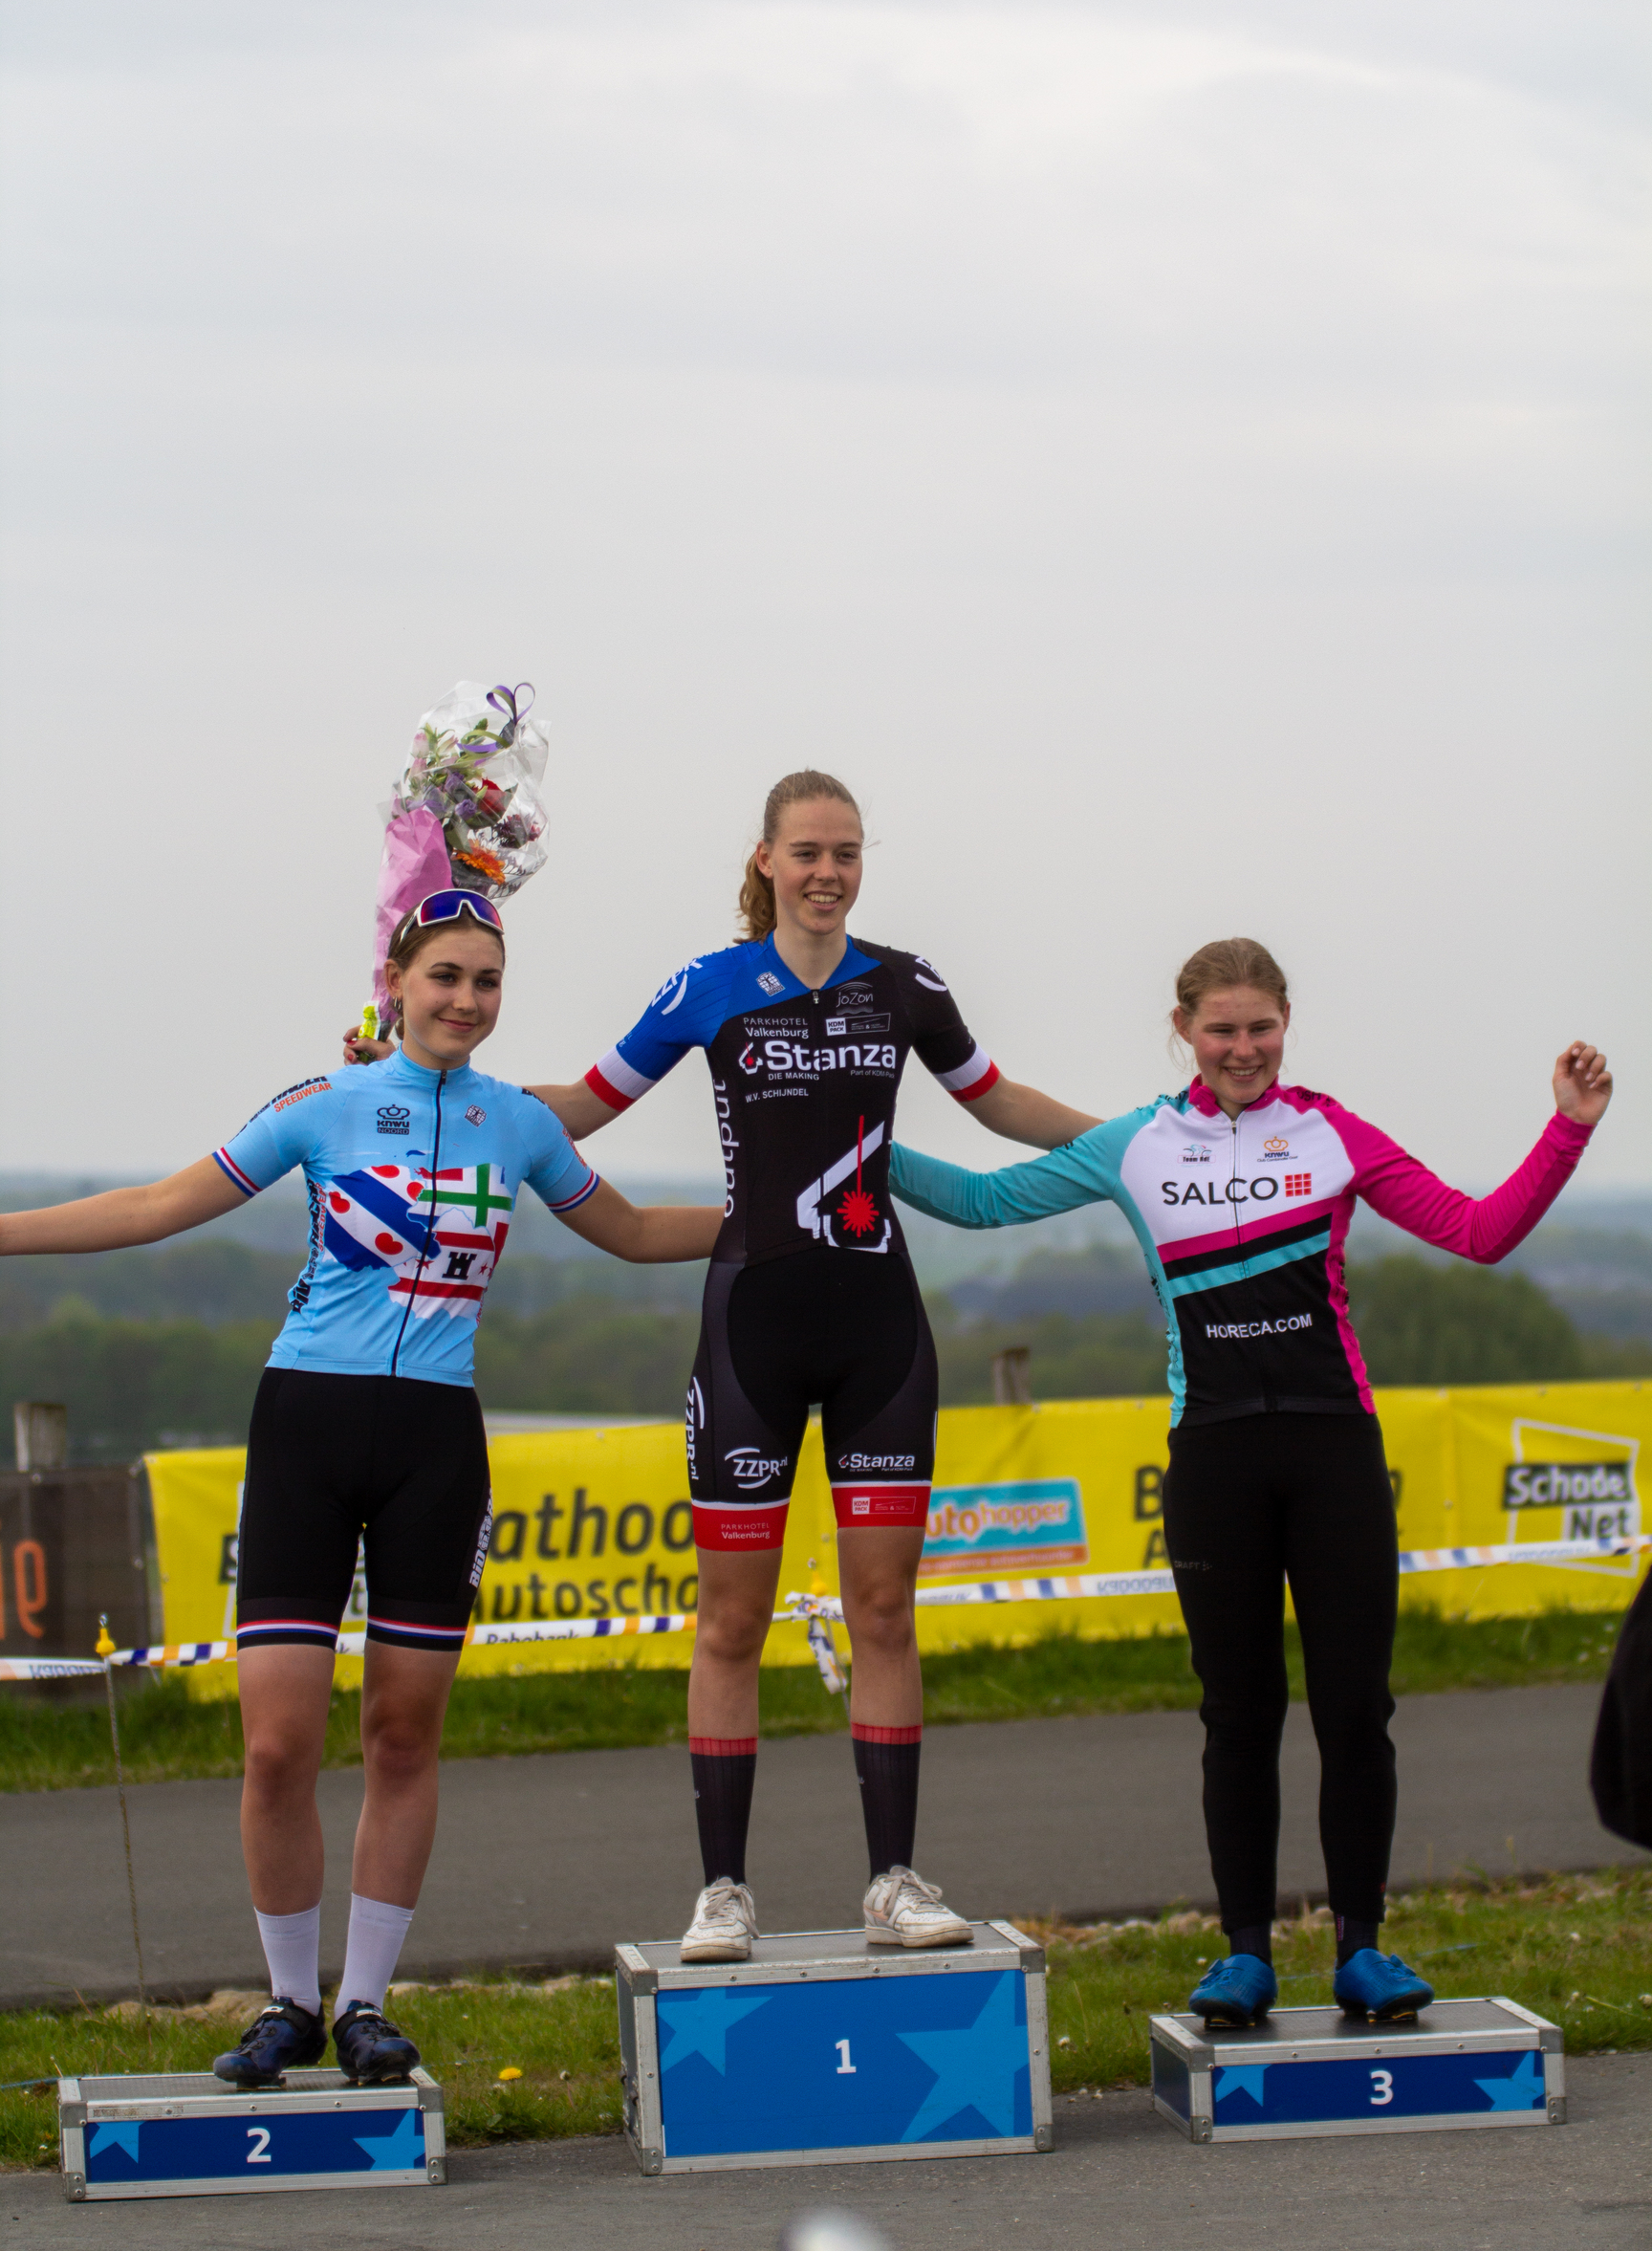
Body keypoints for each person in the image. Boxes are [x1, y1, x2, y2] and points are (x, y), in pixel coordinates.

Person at [351, 775, 1097, 1960]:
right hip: (750, 1329)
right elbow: (583, 1110)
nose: (829, 872)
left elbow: (995, 1100)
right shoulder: (709, 986)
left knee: (886, 1610)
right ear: (765, 858)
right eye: (808, 851)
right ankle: (723, 1893)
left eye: (847, 852)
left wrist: (1133, 1140)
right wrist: (412, 1084)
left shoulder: (905, 984)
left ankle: (895, 1880)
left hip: (880, 1335)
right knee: (731, 1624)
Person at [2, 888, 719, 2086]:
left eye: (487, 982)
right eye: (445, 977)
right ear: (394, 983)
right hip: (305, 1429)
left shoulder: (522, 1125)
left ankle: (366, 2005)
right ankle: (284, 2004)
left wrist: (791, 1217)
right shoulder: (322, 1106)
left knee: (400, 1732)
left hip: (439, 1443)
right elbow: (157, 1205)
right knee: (277, 1744)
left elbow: (636, 1234)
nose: (466, 1001)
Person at [887, 935, 1613, 2026]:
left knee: (1356, 1709)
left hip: (1333, 1453)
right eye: (1220, 1030)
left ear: (1287, 1024)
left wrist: (1567, 1128)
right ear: (1182, 1029)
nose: (1242, 1049)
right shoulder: (1134, 1144)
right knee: (1239, 1714)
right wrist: (857, 1143)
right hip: (1215, 1456)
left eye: (1260, 1028)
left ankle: (1364, 1947)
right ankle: (1244, 1955)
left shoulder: (1333, 1134)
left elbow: (1479, 1232)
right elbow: (988, 1204)